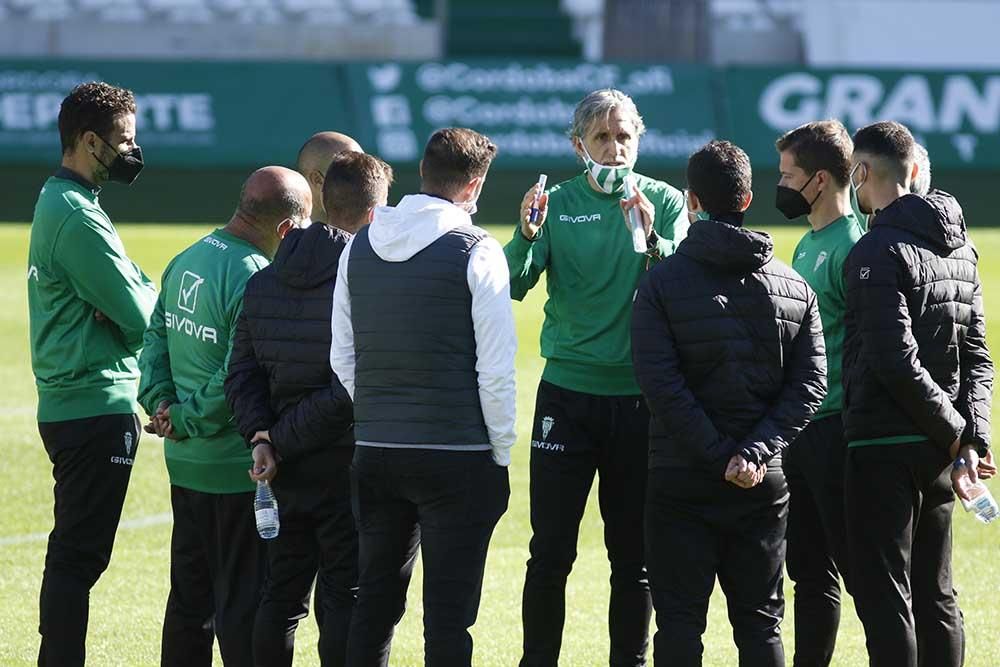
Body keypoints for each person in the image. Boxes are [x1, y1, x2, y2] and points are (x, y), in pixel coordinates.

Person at [507, 88, 688, 667]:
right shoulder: (555, 203)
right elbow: (514, 283)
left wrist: (653, 237)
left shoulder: (662, 199)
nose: (613, 150)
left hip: (640, 401)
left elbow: (681, 290)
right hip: (568, 396)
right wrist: (527, 236)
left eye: (623, 138)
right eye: (601, 138)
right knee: (550, 551)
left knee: (633, 557)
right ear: (577, 144)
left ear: (639, 141)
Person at [632, 140, 827, 667]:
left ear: (690, 201)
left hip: (681, 475)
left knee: (678, 625)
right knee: (761, 626)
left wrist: (720, 455)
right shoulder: (794, 285)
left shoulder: (660, 284)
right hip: (762, 481)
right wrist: (754, 453)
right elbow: (811, 386)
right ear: (747, 198)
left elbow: (661, 386)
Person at [331, 127, 516, 667]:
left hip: (377, 451)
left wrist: (376, 415)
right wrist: (499, 453)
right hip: (458, 457)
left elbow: (343, 357)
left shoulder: (360, 244)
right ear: (474, 186)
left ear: (422, 174)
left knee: (374, 606)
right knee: (449, 617)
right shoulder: (478, 249)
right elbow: (496, 370)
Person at [138, 166, 313, 667]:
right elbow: (237, 378)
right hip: (235, 472)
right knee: (241, 604)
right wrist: (187, 416)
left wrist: (160, 404)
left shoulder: (187, 257)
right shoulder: (257, 276)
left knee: (189, 602)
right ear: (286, 228)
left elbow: (156, 339)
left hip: (183, 465)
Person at [224, 152, 394, 667]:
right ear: (371, 215)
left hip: (283, 469)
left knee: (281, 597)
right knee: (345, 595)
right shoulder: (364, 282)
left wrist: (262, 438)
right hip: (342, 462)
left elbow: (241, 375)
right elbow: (351, 387)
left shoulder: (264, 279)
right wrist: (276, 439)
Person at [842, 121, 994, 667]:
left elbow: (893, 360)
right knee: (937, 592)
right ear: (915, 170)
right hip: (940, 451)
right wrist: (971, 438)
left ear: (861, 173)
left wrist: (959, 437)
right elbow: (979, 358)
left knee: (887, 597)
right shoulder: (963, 249)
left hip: (884, 441)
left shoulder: (873, 251)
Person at [26, 80, 157, 667]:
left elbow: (132, 299)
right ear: (88, 140)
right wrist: (139, 296)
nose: (133, 151)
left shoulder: (69, 204)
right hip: (92, 406)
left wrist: (134, 292)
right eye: (124, 140)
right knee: (79, 559)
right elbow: (144, 316)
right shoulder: (76, 216)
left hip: (76, 403)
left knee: (74, 556)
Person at [773, 119, 864, 666]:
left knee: (859, 570)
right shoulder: (807, 243)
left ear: (822, 179)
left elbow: (867, 345)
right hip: (801, 429)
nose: (780, 184)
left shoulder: (854, 246)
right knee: (807, 570)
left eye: (789, 174)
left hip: (837, 430)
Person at [297, 131, 364, 224]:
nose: (365, 180)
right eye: (351, 173)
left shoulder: (377, 233)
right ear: (317, 180)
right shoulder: (288, 236)